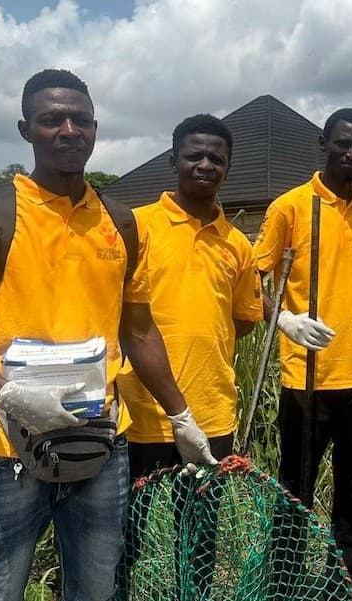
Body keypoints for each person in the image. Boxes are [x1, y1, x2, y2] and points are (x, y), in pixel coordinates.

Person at [0, 69, 213, 601]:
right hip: (5, 444)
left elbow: (140, 330)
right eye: (51, 119)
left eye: (80, 120)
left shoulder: (120, 222)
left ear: (96, 129)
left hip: (101, 439)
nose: (68, 130)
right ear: (25, 129)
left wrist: (180, 415)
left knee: (98, 587)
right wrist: (5, 393)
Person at [253, 107, 352, 576]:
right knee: (296, 484)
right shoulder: (289, 207)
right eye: (343, 144)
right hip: (306, 374)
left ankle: (341, 577)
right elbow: (254, 281)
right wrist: (284, 318)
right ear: (324, 144)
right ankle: (287, 577)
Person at [117, 113, 262, 477]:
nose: (206, 165)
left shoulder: (238, 244)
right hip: (143, 414)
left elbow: (244, 319)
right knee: (139, 528)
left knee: (201, 527)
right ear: (173, 162)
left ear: (228, 168)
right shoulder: (137, 227)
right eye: (194, 156)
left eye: (217, 159)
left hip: (212, 413)